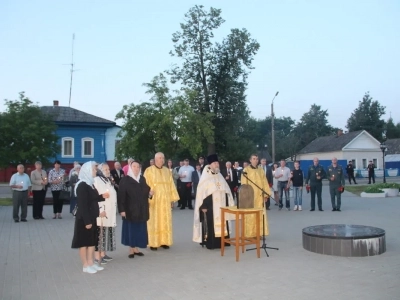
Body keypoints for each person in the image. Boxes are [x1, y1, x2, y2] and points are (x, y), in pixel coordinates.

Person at [71, 161, 109, 274]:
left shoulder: (90, 183)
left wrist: (102, 197)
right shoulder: (82, 185)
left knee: (92, 242)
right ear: (87, 170)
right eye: (94, 169)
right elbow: (83, 205)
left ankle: (91, 263)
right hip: (84, 219)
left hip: (92, 217)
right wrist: (87, 221)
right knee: (84, 243)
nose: (96, 171)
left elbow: (93, 198)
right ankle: (85, 265)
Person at [193, 154, 235, 249]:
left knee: (223, 221)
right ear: (210, 164)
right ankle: (212, 243)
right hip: (210, 206)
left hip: (222, 205)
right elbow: (201, 193)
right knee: (211, 223)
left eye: (217, 163)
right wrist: (203, 206)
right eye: (215, 163)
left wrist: (229, 203)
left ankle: (224, 241)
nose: (217, 164)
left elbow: (227, 190)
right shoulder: (205, 177)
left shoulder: (220, 175)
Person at [143, 152, 179, 251]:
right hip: (154, 201)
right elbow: (144, 185)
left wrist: (172, 199)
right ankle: (154, 243)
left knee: (165, 221)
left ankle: (164, 241)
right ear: (155, 159)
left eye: (163, 158)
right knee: (154, 221)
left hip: (165, 201)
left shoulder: (167, 171)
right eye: (159, 158)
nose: (162, 160)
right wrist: (148, 195)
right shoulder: (148, 171)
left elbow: (171, 185)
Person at [118, 161, 153, 258]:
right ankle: (131, 249)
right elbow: (121, 196)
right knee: (131, 230)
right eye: (134, 166)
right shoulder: (125, 180)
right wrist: (122, 210)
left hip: (141, 210)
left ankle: (136, 248)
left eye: (138, 167)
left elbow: (146, 191)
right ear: (130, 168)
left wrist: (150, 194)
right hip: (130, 210)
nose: (136, 168)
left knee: (139, 230)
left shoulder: (142, 179)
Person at [241, 154, 271, 238]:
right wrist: (245, 196)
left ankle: (259, 233)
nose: (256, 160)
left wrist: (265, 195)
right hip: (250, 196)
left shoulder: (260, 170)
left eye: (257, 159)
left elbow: (265, 182)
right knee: (250, 215)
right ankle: (250, 233)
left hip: (260, 196)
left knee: (260, 215)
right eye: (254, 159)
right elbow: (244, 184)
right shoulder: (246, 170)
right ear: (250, 160)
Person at [94, 163, 117, 264]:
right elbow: (96, 196)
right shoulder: (97, 180)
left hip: (110, 210)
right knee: (100, 233)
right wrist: (100, 209)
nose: (108, 171)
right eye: (105, 169)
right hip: (102, 210)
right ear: (100, 171)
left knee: (106, 233)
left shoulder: (107, 180)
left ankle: (103, 253)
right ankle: (97, 256)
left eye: (108, 169)